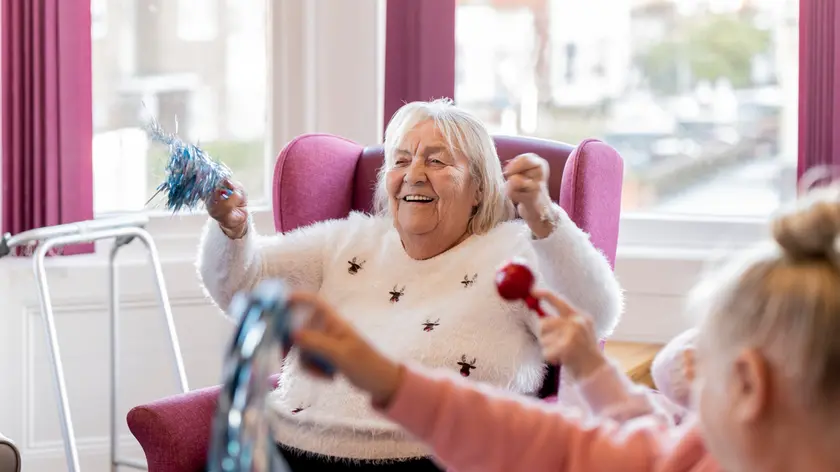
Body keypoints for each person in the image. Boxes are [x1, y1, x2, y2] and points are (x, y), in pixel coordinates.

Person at [289, 184, 840, 472]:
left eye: (706, 369)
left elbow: (545, 444)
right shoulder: (698, 450)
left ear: (747, 386)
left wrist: (391, 381)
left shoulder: (696, 454)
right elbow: (633, 433)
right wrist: (593, 367)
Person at [197, 99, 624, 469]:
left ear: (479, 187)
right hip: (286, 448)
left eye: (436, 161)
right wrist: (234, 230)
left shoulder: (517, 250)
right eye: (401, 160)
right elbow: (244, 288)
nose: (414, 174)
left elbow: (592, 318)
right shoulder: (347, 239)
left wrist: (543, 218)